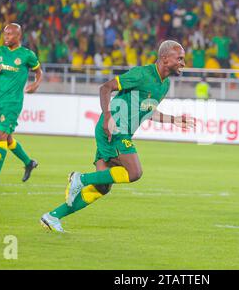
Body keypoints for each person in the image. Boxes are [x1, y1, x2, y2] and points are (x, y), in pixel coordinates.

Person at [40, 40, 195, 232]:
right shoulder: (141, 74)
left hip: (119, 132)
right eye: (179, 58)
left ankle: (52, 216)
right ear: (164, 58)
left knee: (102, 187)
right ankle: (80, 179)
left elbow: (148, 110)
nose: (183, 62)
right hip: (114, 129)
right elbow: (105, 88)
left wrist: (173, 120)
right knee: (135, 172)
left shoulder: (164, 85)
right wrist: (107, 116)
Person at [0, 23, 42, 184]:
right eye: (5, 34)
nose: (6, 37)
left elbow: (39, 71)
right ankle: (29, 162)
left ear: (18, 36)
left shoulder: (27, 55)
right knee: (8, 138)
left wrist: (35, 84)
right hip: (1, 101)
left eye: (10, 34)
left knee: (1, 135)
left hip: (14, 102)